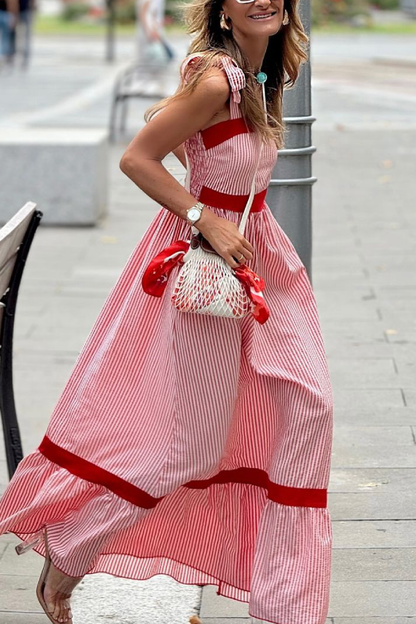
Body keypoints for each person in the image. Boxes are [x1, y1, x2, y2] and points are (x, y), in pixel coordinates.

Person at [0, 0, 334, 623]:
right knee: (187, 451)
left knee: (308, 404)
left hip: (257, 263)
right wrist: (204, 215)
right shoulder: (218, 80)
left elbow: (200, 150)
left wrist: (213, 187)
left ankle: (291, 600)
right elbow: (137, 156)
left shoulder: (260, 78)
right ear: (224, 12)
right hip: (208, 276)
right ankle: (68, 555)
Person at [0, 0, 17, 67]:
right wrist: (13, 15)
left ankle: (3, 56)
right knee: (5, 37)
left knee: (5, 37)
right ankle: (3, 56)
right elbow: (12, 3)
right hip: (6, 14)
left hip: (5, 13)